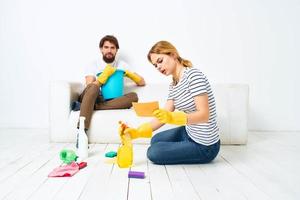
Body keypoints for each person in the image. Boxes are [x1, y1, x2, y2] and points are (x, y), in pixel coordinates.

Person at [124, 41, 220, 165]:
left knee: (153, 152)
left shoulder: (193, 76)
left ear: (173, 55)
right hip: (189, 131)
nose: (158, 67)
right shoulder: (173, 84)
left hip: (205, 145)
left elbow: (204, 115)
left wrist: (173, 118)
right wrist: (137, 132)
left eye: (160, 61)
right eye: (155, 65)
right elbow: (164, 115)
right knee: (155, 139)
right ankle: (183, 146)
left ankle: (190, 149)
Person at [73, 35, 145, 147]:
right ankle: (81, 132)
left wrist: (130, 74)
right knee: (94, 87)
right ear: (101, 49)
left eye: (112, 47)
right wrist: (103, 77)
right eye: (106, 47)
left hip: (111, 99)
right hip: (93, 96)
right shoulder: (93, 64)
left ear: (116, 50)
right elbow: (89, 86)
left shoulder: (122, 65)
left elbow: (141, 82)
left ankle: (85, 106)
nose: (109, 50)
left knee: (133, 96)